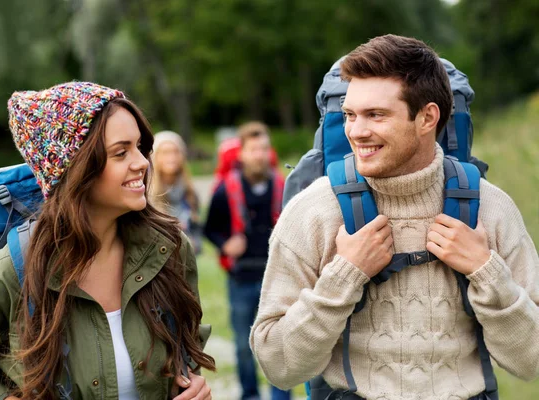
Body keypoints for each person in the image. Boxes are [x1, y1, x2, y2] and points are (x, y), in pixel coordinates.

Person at [250, 34, 539, 400]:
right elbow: (278, 367)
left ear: (427, 118)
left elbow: (530, 361)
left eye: (376, 115)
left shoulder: (490, 208)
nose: (357, 131)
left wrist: (485, 270)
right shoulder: (314, 211)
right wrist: (344, 276)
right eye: (350, 115)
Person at [0, 82, 215, 400]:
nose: (141, 162)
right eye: (120, 152)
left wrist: (193, 383)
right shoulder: (7, 274)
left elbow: (188, 346)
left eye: (140, 147)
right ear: (75, 169)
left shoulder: (170, 250)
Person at [204, 122, 290, 400]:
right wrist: (225, 244)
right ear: (241, 153)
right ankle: (250, 395)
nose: (259, 155)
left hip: (277, 279)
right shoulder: (225, 190)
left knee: (279, 342)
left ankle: (281, 396)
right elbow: (210, 228)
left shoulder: (283, 186)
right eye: (253, 149)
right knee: (243, 344)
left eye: (264, 148)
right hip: (241, 278)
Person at [151, 130, 202, 255]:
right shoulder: (148, 196)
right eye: (165, 153)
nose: (171, 157)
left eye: (176, 152)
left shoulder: (190, 193)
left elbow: (197, 231)